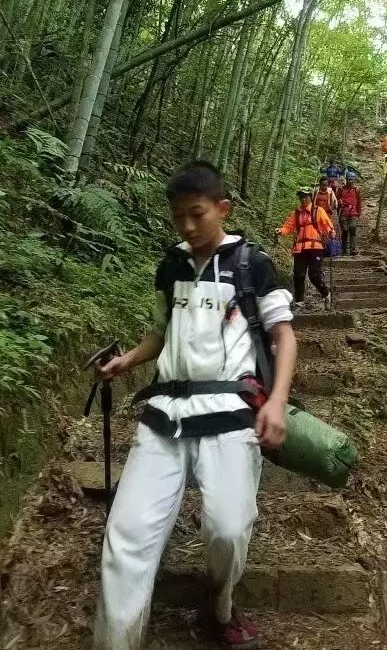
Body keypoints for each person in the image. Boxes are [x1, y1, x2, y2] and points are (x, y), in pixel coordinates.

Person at [92, 162, 296, 650]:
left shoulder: (252, 263)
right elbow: (159, 333)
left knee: (228, 527)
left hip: (230, 413)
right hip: (165, 414)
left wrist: (279, 403)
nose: (186, 226)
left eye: (196, 214)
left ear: (222, 208)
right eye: (178, 216)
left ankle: (221, 608)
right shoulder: (171, 263)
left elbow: (284, 337)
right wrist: (128, 360)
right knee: (126, 534)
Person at [276, 187, 335, 310]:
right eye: (301, 196)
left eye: (306, 196)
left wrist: (330, 231)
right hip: (300, 248)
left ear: (310, 197)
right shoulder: (296, 213)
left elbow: (326, 224)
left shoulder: (318, 211)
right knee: (298, 274)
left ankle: (326, 293)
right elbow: (288, 227)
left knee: (314, 275)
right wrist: (281, 231)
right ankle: (299, 302)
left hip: (315, 247)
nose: (303, 199)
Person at [338, 174, 361, 256]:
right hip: (344, 212)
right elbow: (337, 201)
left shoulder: (356, 190)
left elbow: (359, 202)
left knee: (352, 229)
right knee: (345, 230)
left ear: (354, 180)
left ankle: (352, 249)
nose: (350, 181)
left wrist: (358, 214)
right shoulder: (341, 189)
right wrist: (339, 203)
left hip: (353, 212)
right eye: (348, 179)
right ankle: (344, 249)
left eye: (352, 180)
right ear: (346, 179)